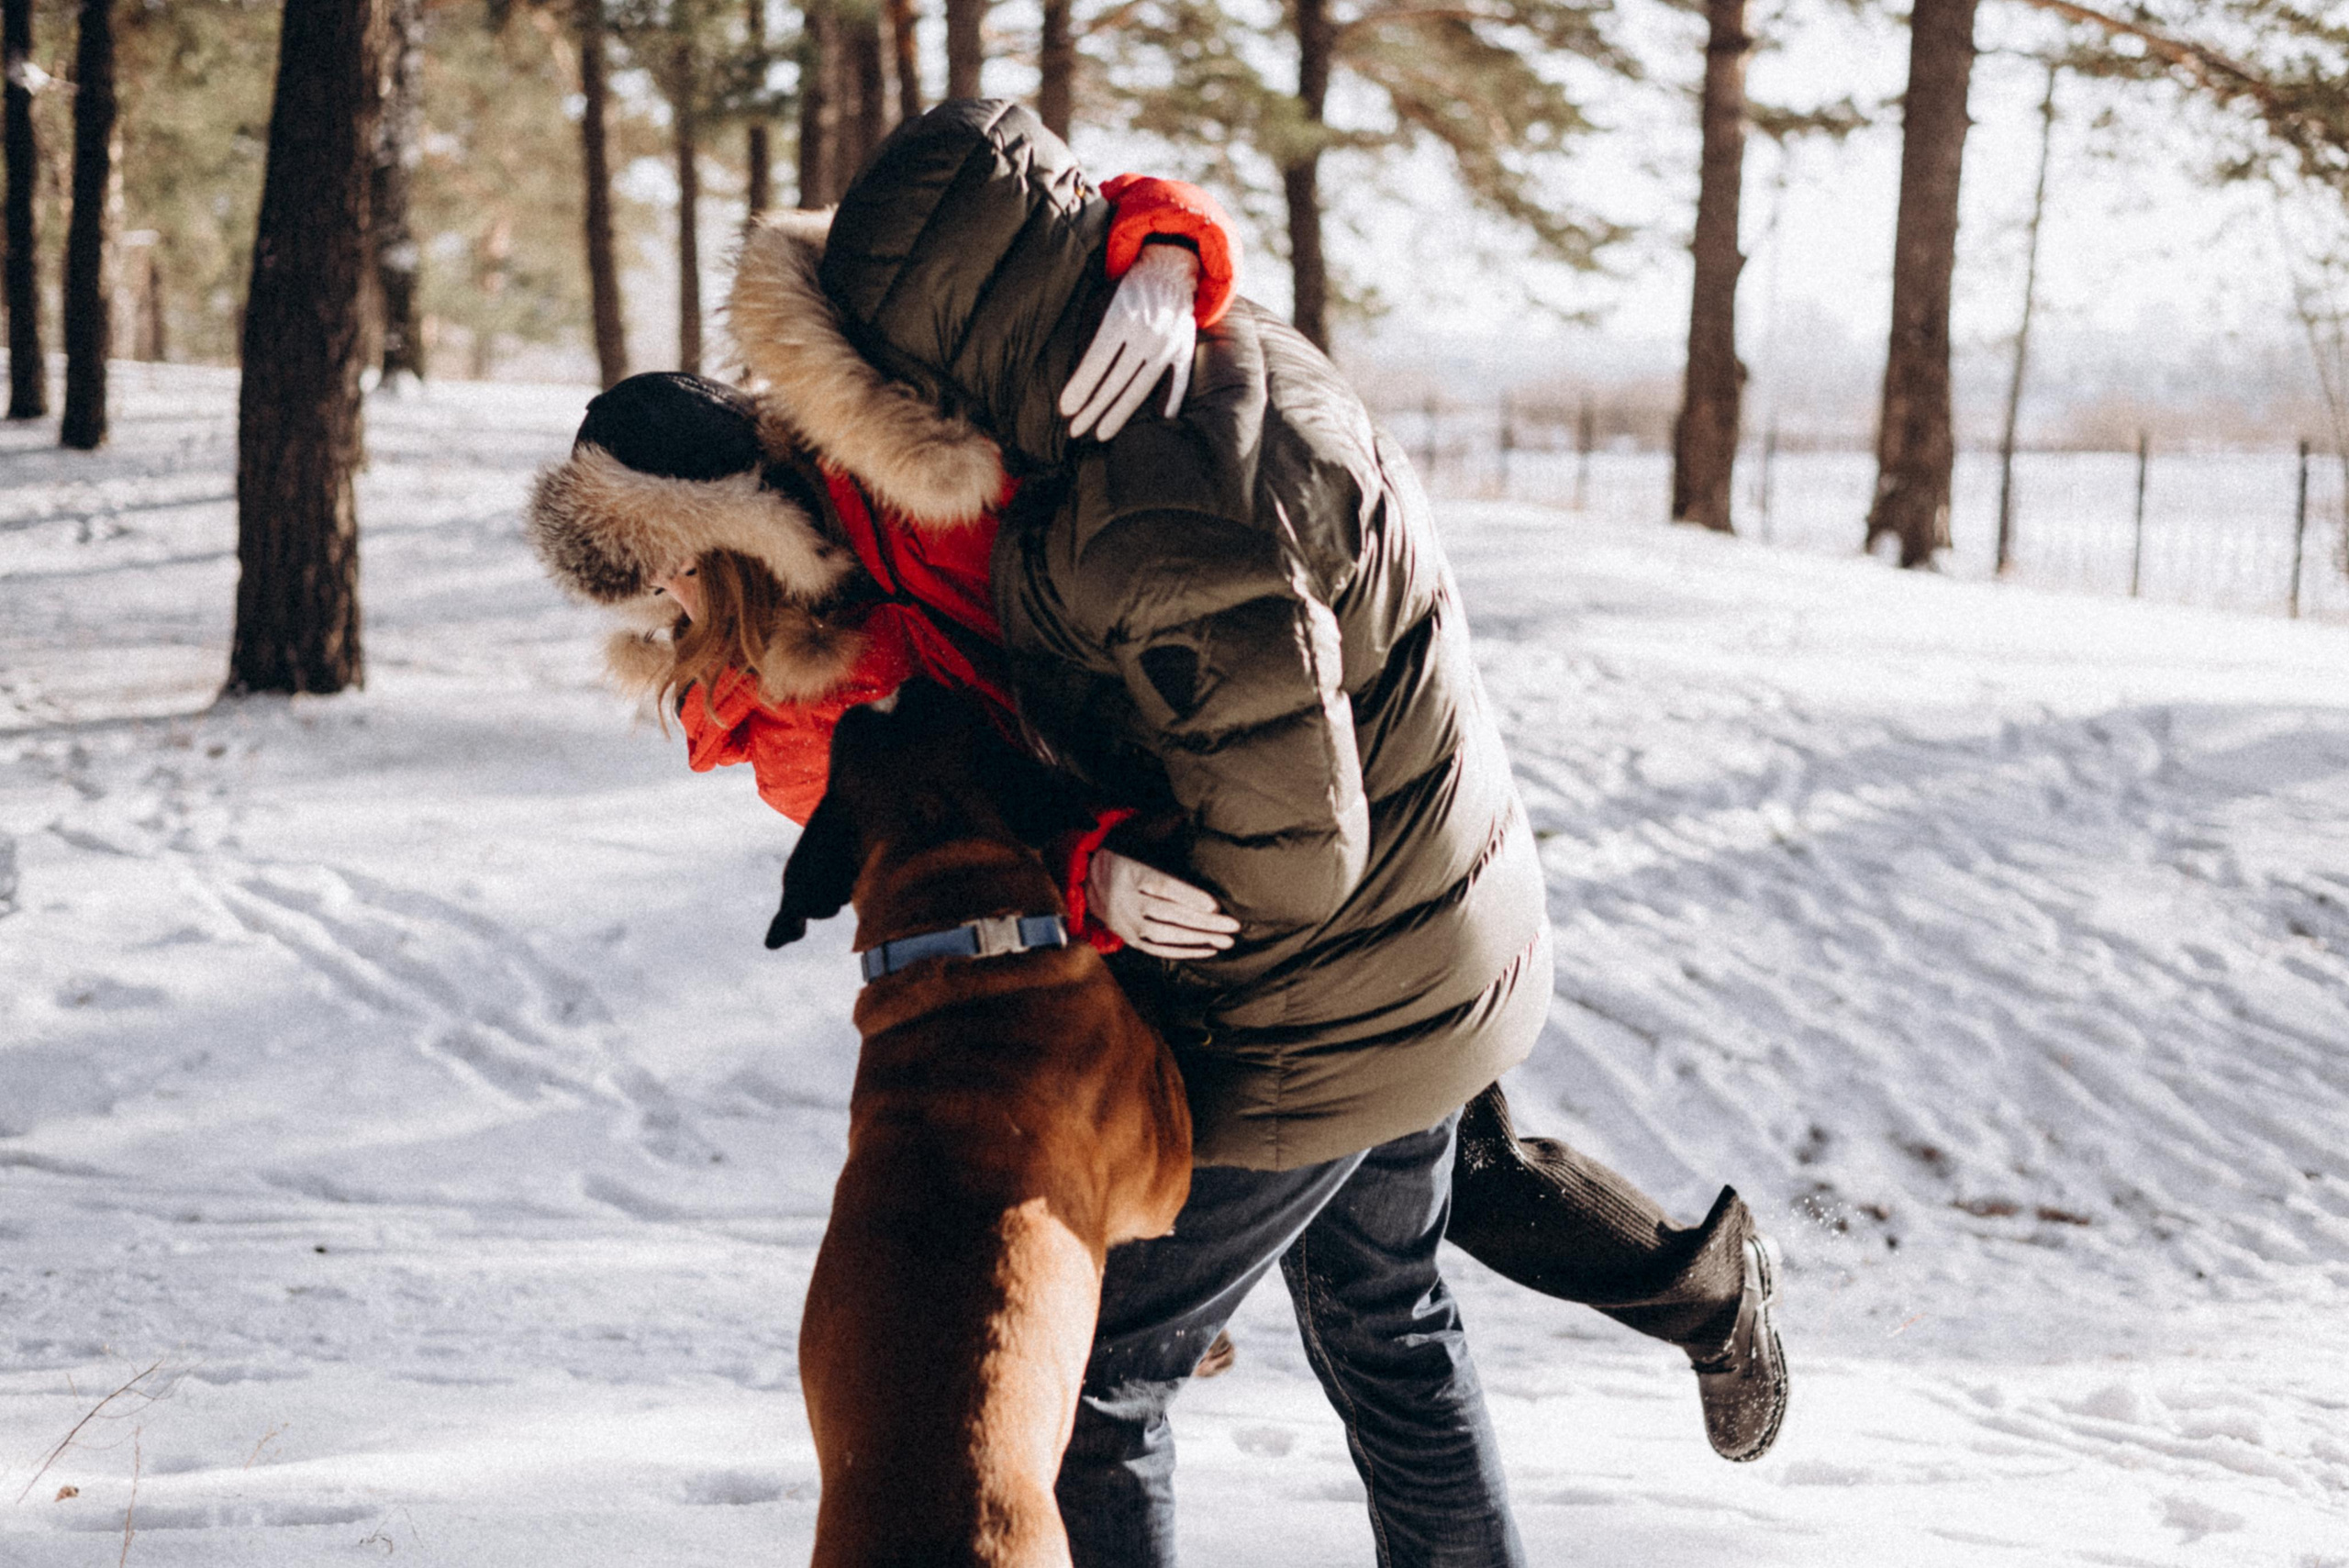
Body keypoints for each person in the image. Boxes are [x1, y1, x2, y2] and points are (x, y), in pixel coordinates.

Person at [527, 112, 1786, 1566]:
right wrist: (1080, 875)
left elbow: (994, 234)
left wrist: (1163, 241)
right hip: (1291, 901)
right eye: (651, 601)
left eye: (673, 573)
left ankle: (1699, 1285)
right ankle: (1699, 1287)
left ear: (733, 508)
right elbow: (979, 834)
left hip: (1297, 917)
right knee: (1390, 1291)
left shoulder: (917, 442)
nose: (671, 616)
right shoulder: (808, 679)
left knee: (1142, 1360)